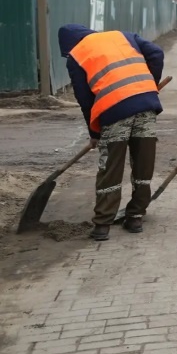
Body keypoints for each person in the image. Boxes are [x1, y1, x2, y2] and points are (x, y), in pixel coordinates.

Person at [58, 24, 165, 240]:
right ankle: (135, 216)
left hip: (114, 110)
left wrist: (94, 131)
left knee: (111, 167)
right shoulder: (122, 35)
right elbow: (156, 53)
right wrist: (148, 84)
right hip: (147, 105)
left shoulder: (76, 55)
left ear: (69, 46)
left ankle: (102, 225)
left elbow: (85, 99)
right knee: (143, 163)